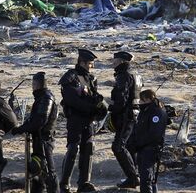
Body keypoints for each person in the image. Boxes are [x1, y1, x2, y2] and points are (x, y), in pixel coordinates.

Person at [58, 49, 108, 193]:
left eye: (92, 64)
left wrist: (99, 105)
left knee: (88, 149)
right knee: (73, 148)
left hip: (89, 120)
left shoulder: (91, 78)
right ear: (81, 62)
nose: (91, 66)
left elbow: (94, 96)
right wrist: (91, 108)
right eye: (89, 64)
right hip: (76, 119)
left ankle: (84, 182)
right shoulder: (70, 77)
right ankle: (65, 184)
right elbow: (72, 99)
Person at [11, 72, 59, 193]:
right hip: (39, 138)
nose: (33, 86)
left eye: (34, 84)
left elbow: (40, 121)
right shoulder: (41, 97)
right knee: (39, 170)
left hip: (45, 139)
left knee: (48, 171)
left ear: (36, 84)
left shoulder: (46, 98)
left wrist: (22, 129)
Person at [109, 51, 142, 188]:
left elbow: (121, 98)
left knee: (118, 147)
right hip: (134, 114)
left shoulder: (124, 75)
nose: (113, 63)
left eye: (115, 60)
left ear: (122, 61)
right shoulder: (136, 74)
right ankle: (135, 176)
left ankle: (133, 177)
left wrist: (112, 111)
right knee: (130, 146)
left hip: (126, 116)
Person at [134, 89, 170, 193]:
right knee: (147, 177)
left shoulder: (157, 112)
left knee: (147, 178)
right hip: (142, 148)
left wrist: (140, 143)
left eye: (142, 100)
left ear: (149, 99)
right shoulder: (145, 111)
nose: (140, 103)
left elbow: (154, 134)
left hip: (150, 149)